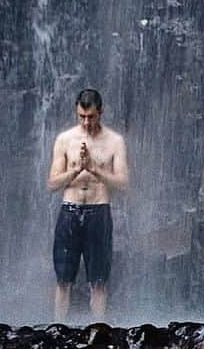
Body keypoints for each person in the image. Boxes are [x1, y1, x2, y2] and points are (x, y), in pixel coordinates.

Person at [47, 87, 129, 320]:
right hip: (70, 211)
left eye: (90, 117)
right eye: (81, 117)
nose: (85, 122)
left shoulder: (114, 142)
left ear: (100, 112)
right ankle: (58, 330)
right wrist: (76, 169)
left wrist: (94, 169)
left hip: (98, 212)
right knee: (63, 280)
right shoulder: (65, 140)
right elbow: (52, 184)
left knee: (99, 281)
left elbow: (123, 184)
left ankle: (99, 330)